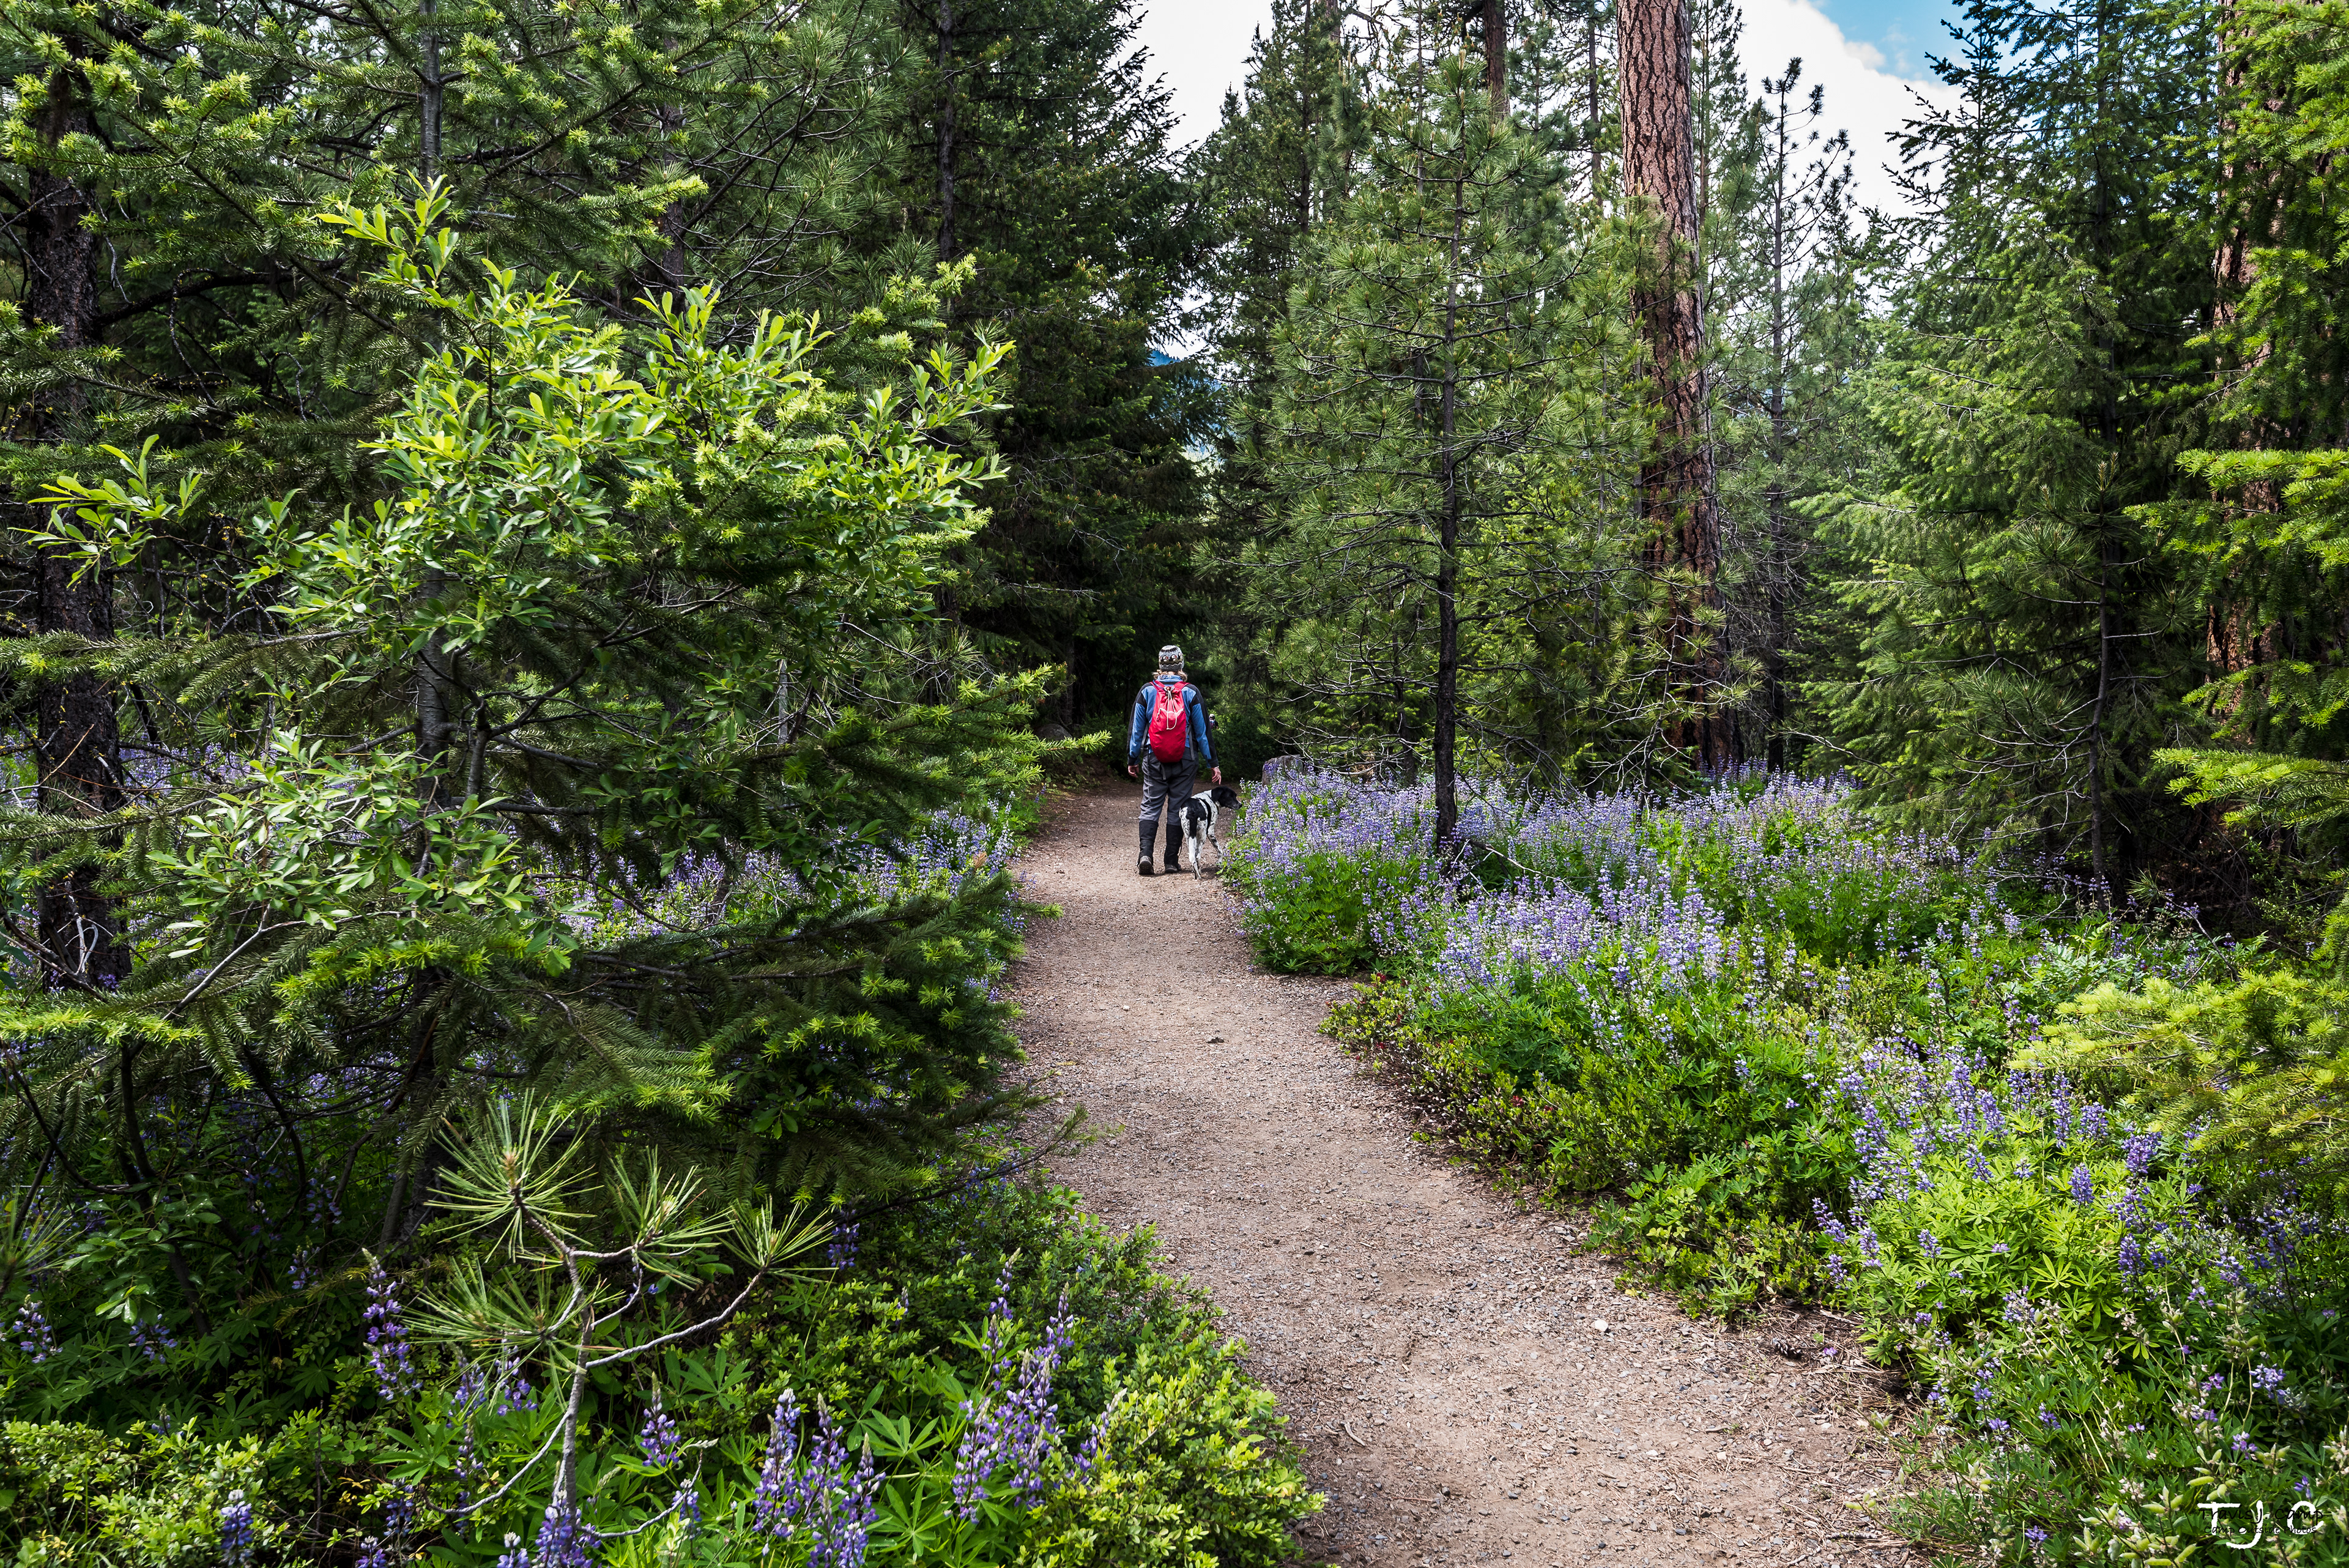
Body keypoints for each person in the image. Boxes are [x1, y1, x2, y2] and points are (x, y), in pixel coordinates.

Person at [1127, 645, 1222, 876]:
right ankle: (1171, 861)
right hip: (1185, 759)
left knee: (1150, 806)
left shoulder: (1147, 692)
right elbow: (1202, 733)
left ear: (1160, 665)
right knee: (1178, 808)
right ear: (1181, 665)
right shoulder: (1190, 692)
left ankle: (1145, 855)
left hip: (1153, 758)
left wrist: (1133, 758)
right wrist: (1212, 762)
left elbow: (1136, 732)